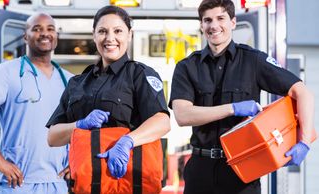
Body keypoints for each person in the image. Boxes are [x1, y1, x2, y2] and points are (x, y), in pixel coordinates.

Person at [169, 0, 315, 193]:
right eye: (207, 20)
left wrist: (303, 142)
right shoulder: (187, 67)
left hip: (244, 169)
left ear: (233, 22)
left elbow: (303, 92)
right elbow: (183, 116)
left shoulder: (254, 61)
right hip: (200, 170)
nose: (214, 26)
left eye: (221, 18)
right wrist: (233, 108)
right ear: (201, 25)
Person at [46, 5, 170, 181]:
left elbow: (162, 122)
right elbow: (53, 137)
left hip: (126, 182)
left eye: (118, 31)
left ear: (130, 35)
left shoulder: (139, 74)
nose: (110, 38)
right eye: (103, 31)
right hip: (85, 183)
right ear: (94, 35)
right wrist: (80, 124)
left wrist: (127, 142)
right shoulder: (77, 83)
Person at [0, 13, 73, 194]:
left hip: (57, 182)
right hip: (18, 183)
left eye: (50, 29)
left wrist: (77, 161)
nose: (45, 33)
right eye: (37, 29)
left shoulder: (69, 81)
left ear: (56, 36)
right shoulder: (7, 72)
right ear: (25, 36)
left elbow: (82, 127)